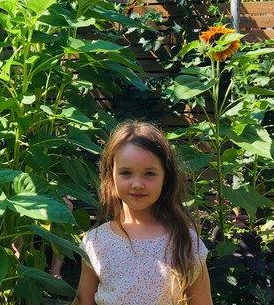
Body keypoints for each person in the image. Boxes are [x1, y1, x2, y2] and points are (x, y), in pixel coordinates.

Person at [73, 121, 212, 305]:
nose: (137, 184)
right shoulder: (95, 242)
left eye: (149, 174)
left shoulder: (185, 242)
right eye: (126, 173)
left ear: (165, 177)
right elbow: (84, 302)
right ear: (111, 176)